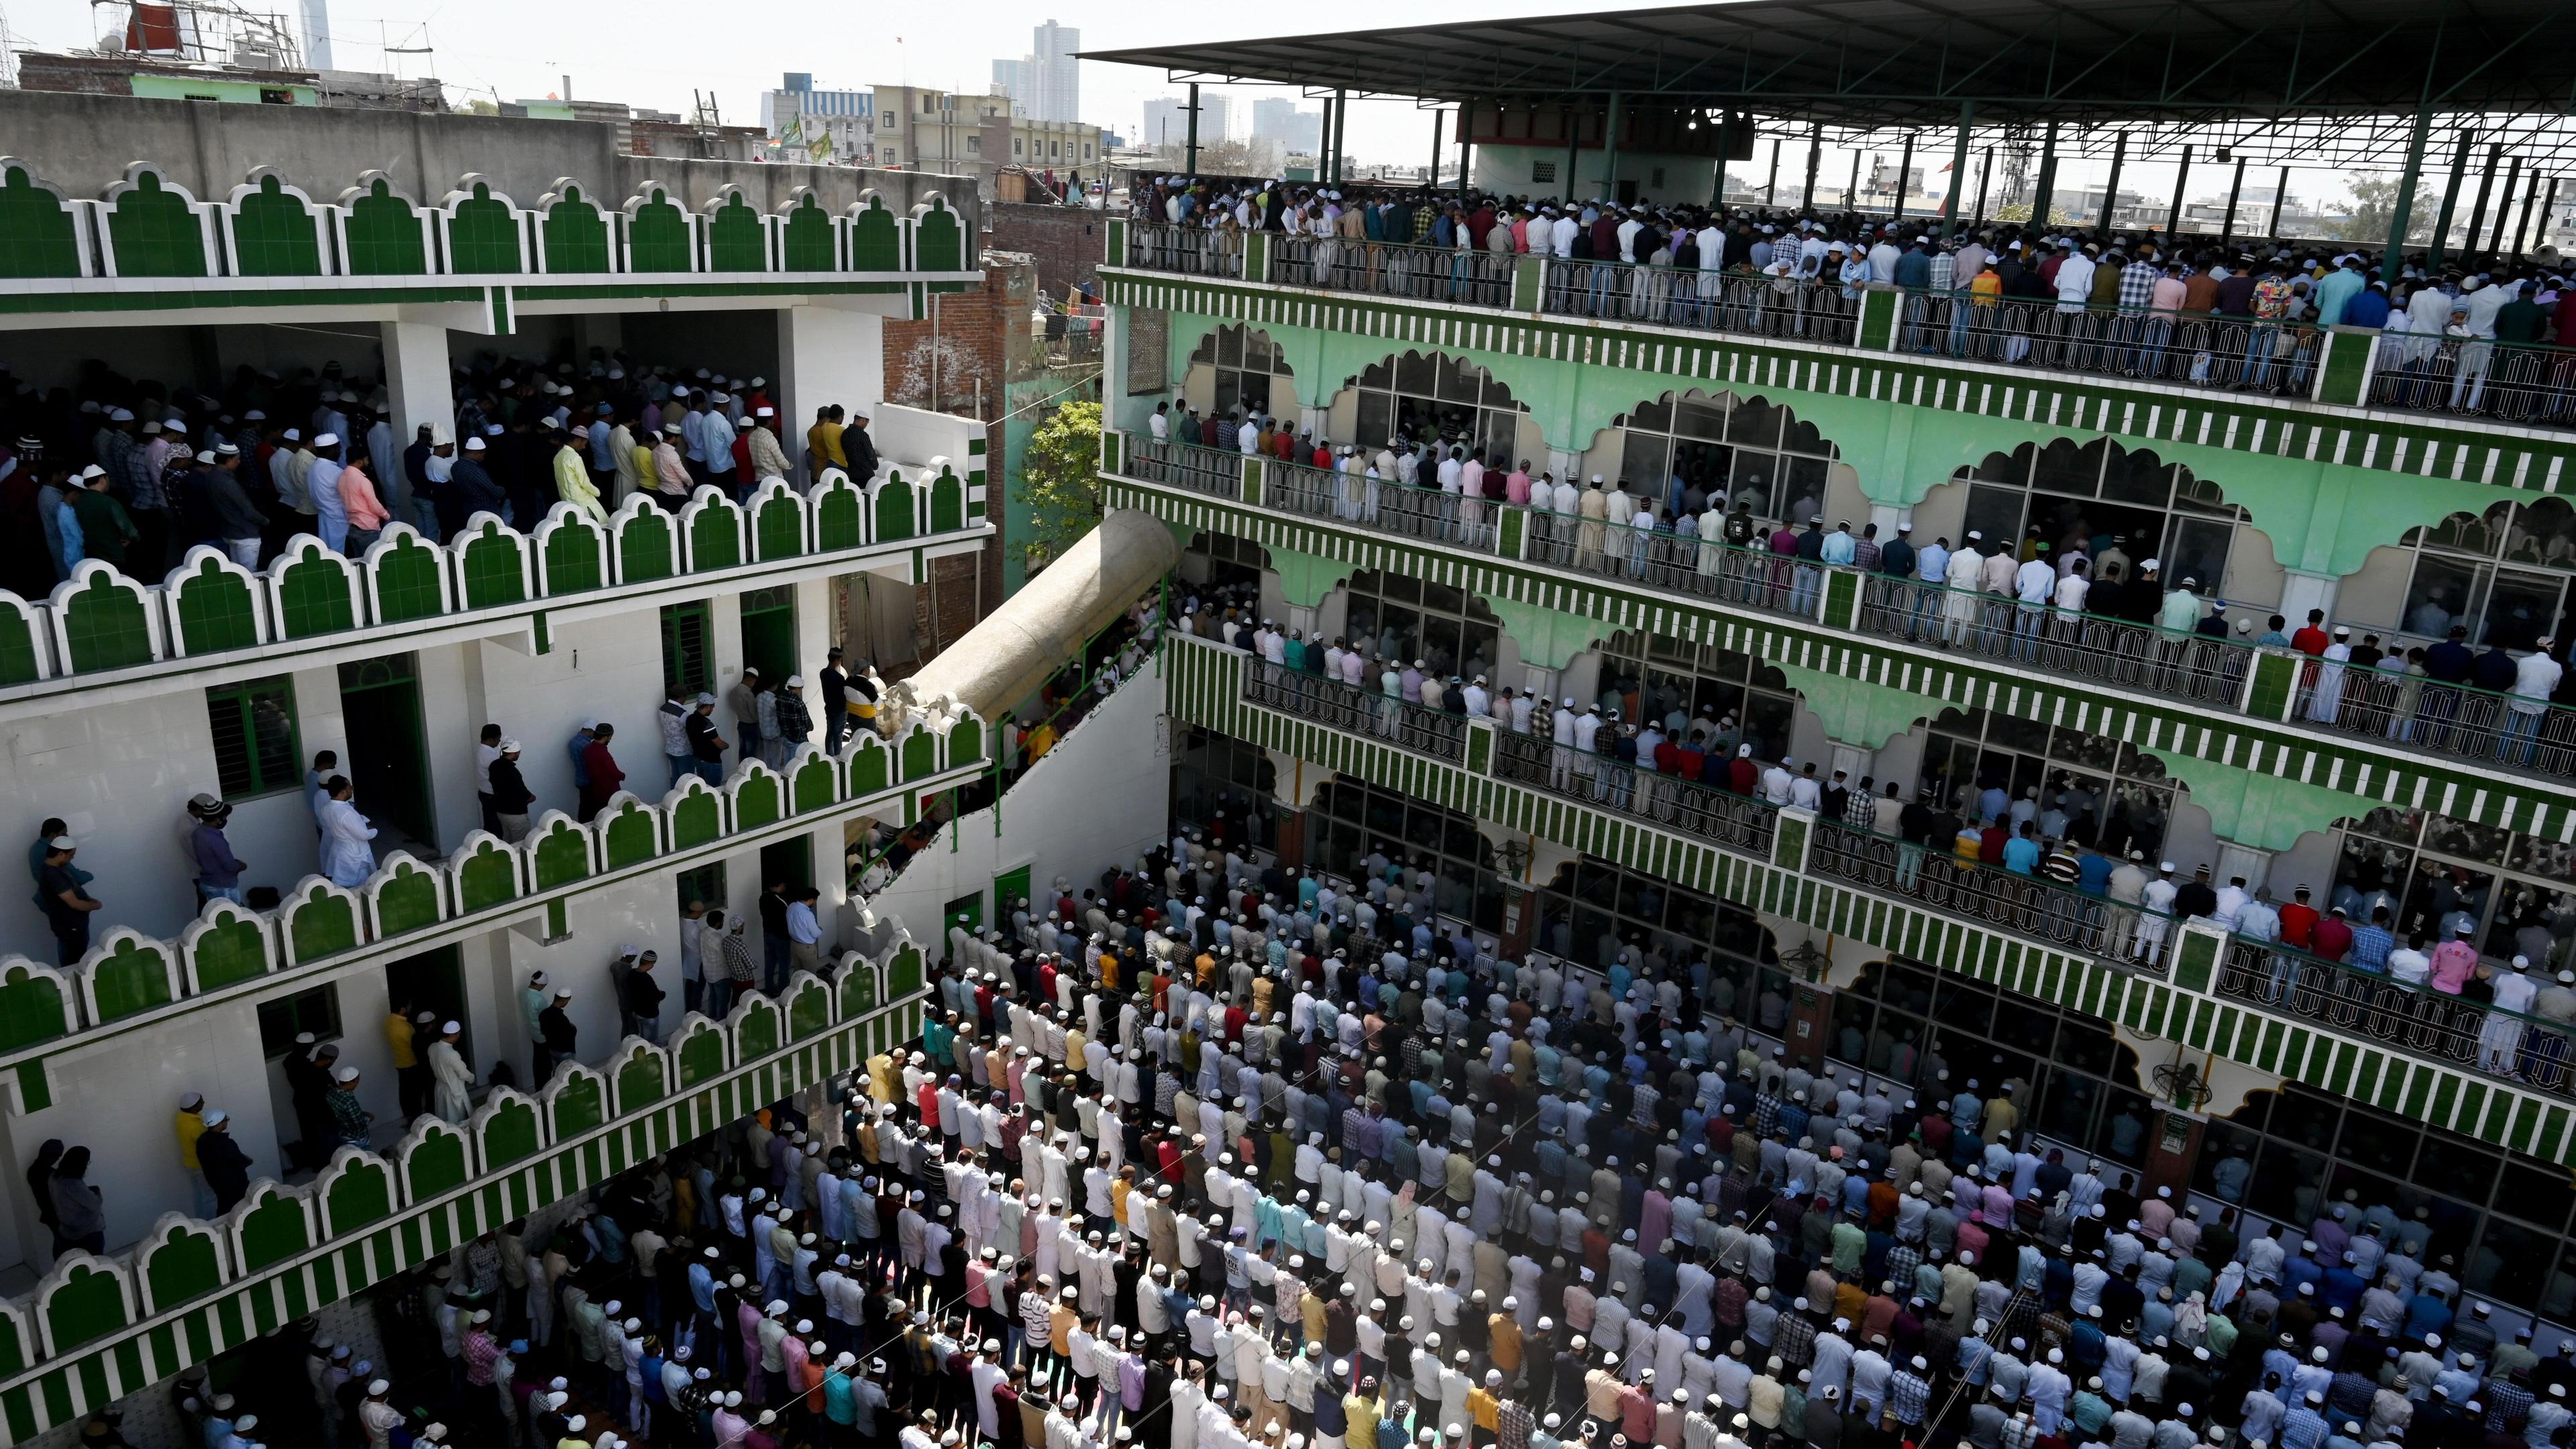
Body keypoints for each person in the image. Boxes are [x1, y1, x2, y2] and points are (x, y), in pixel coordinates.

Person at [35, 834, 101, 965]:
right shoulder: (53, 875)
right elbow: (74, 903)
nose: (72, 858)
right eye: (71, 855)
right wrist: (95, 905)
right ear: (60, 854)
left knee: (74, 959)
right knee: (74, 963)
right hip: (70, 927)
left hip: (71, 926)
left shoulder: (54, 869)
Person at [186, 794, 247, 906]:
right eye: (224, 817)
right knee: (235, 919)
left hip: (207, 883)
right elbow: (230, 867)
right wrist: (241, 866)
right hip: (223, 886)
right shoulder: (215, 839)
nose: (225, 819)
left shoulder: (198, 833)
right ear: (217, 819)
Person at [317, 776, 378, 887]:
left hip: (340, 850)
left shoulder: (327, 808)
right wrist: (374, 830)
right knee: (361, 888)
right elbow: (364, 835)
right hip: (354, 854)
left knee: (344, 885)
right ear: (343, 792)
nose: (352, 789)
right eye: (350, 786)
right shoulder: (345, 813)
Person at [48, 1145, 104, 1256]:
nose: (89, 1166)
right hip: (87, 1234)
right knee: (94, 1265)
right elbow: (95, 1204)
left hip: (65, 1232)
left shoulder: (54, 1177)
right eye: (88, 1163)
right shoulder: (73, 1184)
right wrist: (97, 1192)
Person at [197, 1108, 253, 1214]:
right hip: (235, 1186)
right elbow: (240, 1161)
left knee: (224, 1209)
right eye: (226, 1120)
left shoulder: (202, 1141)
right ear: (219, 1124)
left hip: (217, 1184)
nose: (227, 1122)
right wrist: (248, 1161)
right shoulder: (226, 1143)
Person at [428, 1020, 475, 1125]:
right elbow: (463, 1074)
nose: (459, 1037)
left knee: (443, 1115)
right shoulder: (452, 1054)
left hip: (440, 1087)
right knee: (457, 1119)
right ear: (453, 1035)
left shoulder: (432, 1047)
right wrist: (472, 1079)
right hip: (453, 1089)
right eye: (458, 1034)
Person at [490, 739, 536, 842]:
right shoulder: (512, 771)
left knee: (507, 841)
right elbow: (521, 791)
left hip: (501, 812)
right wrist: (531, 797)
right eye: (518, 752)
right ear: (513, 753)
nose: (519, 754)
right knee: (520, 844)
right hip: (516, 815)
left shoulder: (494, 766)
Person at [580, 722, 625, 822]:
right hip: (609, 792)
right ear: (605, 737)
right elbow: (614, 772)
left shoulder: (588, 749)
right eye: (610, 737)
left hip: (595, 790)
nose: (610, 740)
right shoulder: (603, 754)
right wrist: (622, 775)